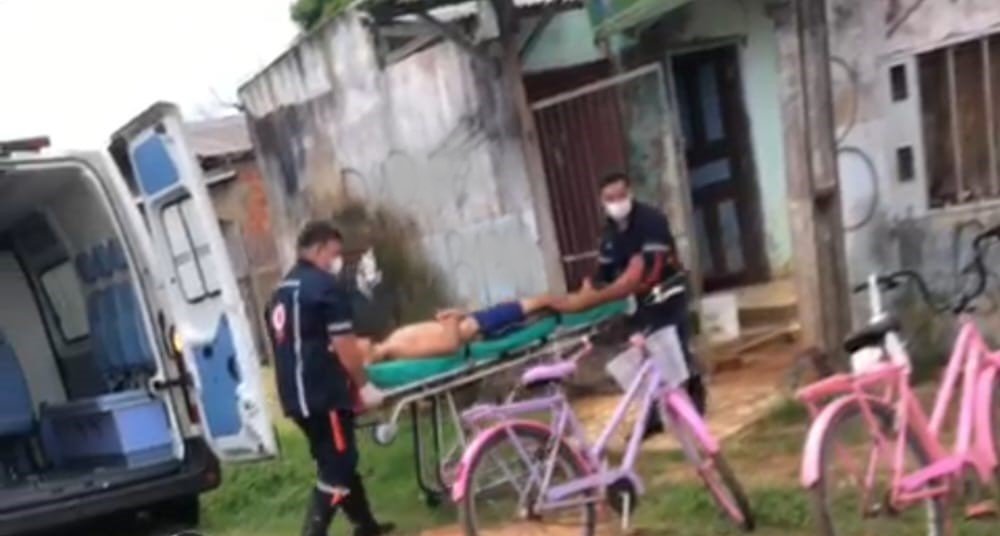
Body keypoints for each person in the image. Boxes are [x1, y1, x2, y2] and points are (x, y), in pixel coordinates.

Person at [266, 221, 395, 536]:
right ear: (320, 248)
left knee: (335, 460)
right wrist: (364, 385)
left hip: (294, 395)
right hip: (323, 393)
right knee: (340, 463)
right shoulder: (324, 288)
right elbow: (344, 345)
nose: (336, 262)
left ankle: (366, 527)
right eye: (334, 254)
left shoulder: (281, 291)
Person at [359, 257, 644, 364]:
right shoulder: (399, 350)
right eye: (354, 348)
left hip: (479, 320)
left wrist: (451, 318)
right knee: (549, 304)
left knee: (549, 301)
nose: (356, 341)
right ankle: (614, 293)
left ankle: (599, 295)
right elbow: (449, 345)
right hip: (485, 329)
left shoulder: (393, 340)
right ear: (365, 358)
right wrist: (452, 319)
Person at [593, 171, 707, 435]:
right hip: (635, 300)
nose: (617, 202)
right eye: (610, 198)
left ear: (630, 193)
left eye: (621, 195)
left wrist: (627, 285)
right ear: (602, 201)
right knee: (640, 357)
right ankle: (651, 415)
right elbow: (604, 271)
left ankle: (695, 400)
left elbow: (653, 265)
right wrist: (597, 291)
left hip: (666, 291)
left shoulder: (651, 220)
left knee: (675, 349)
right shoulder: (608, 233)